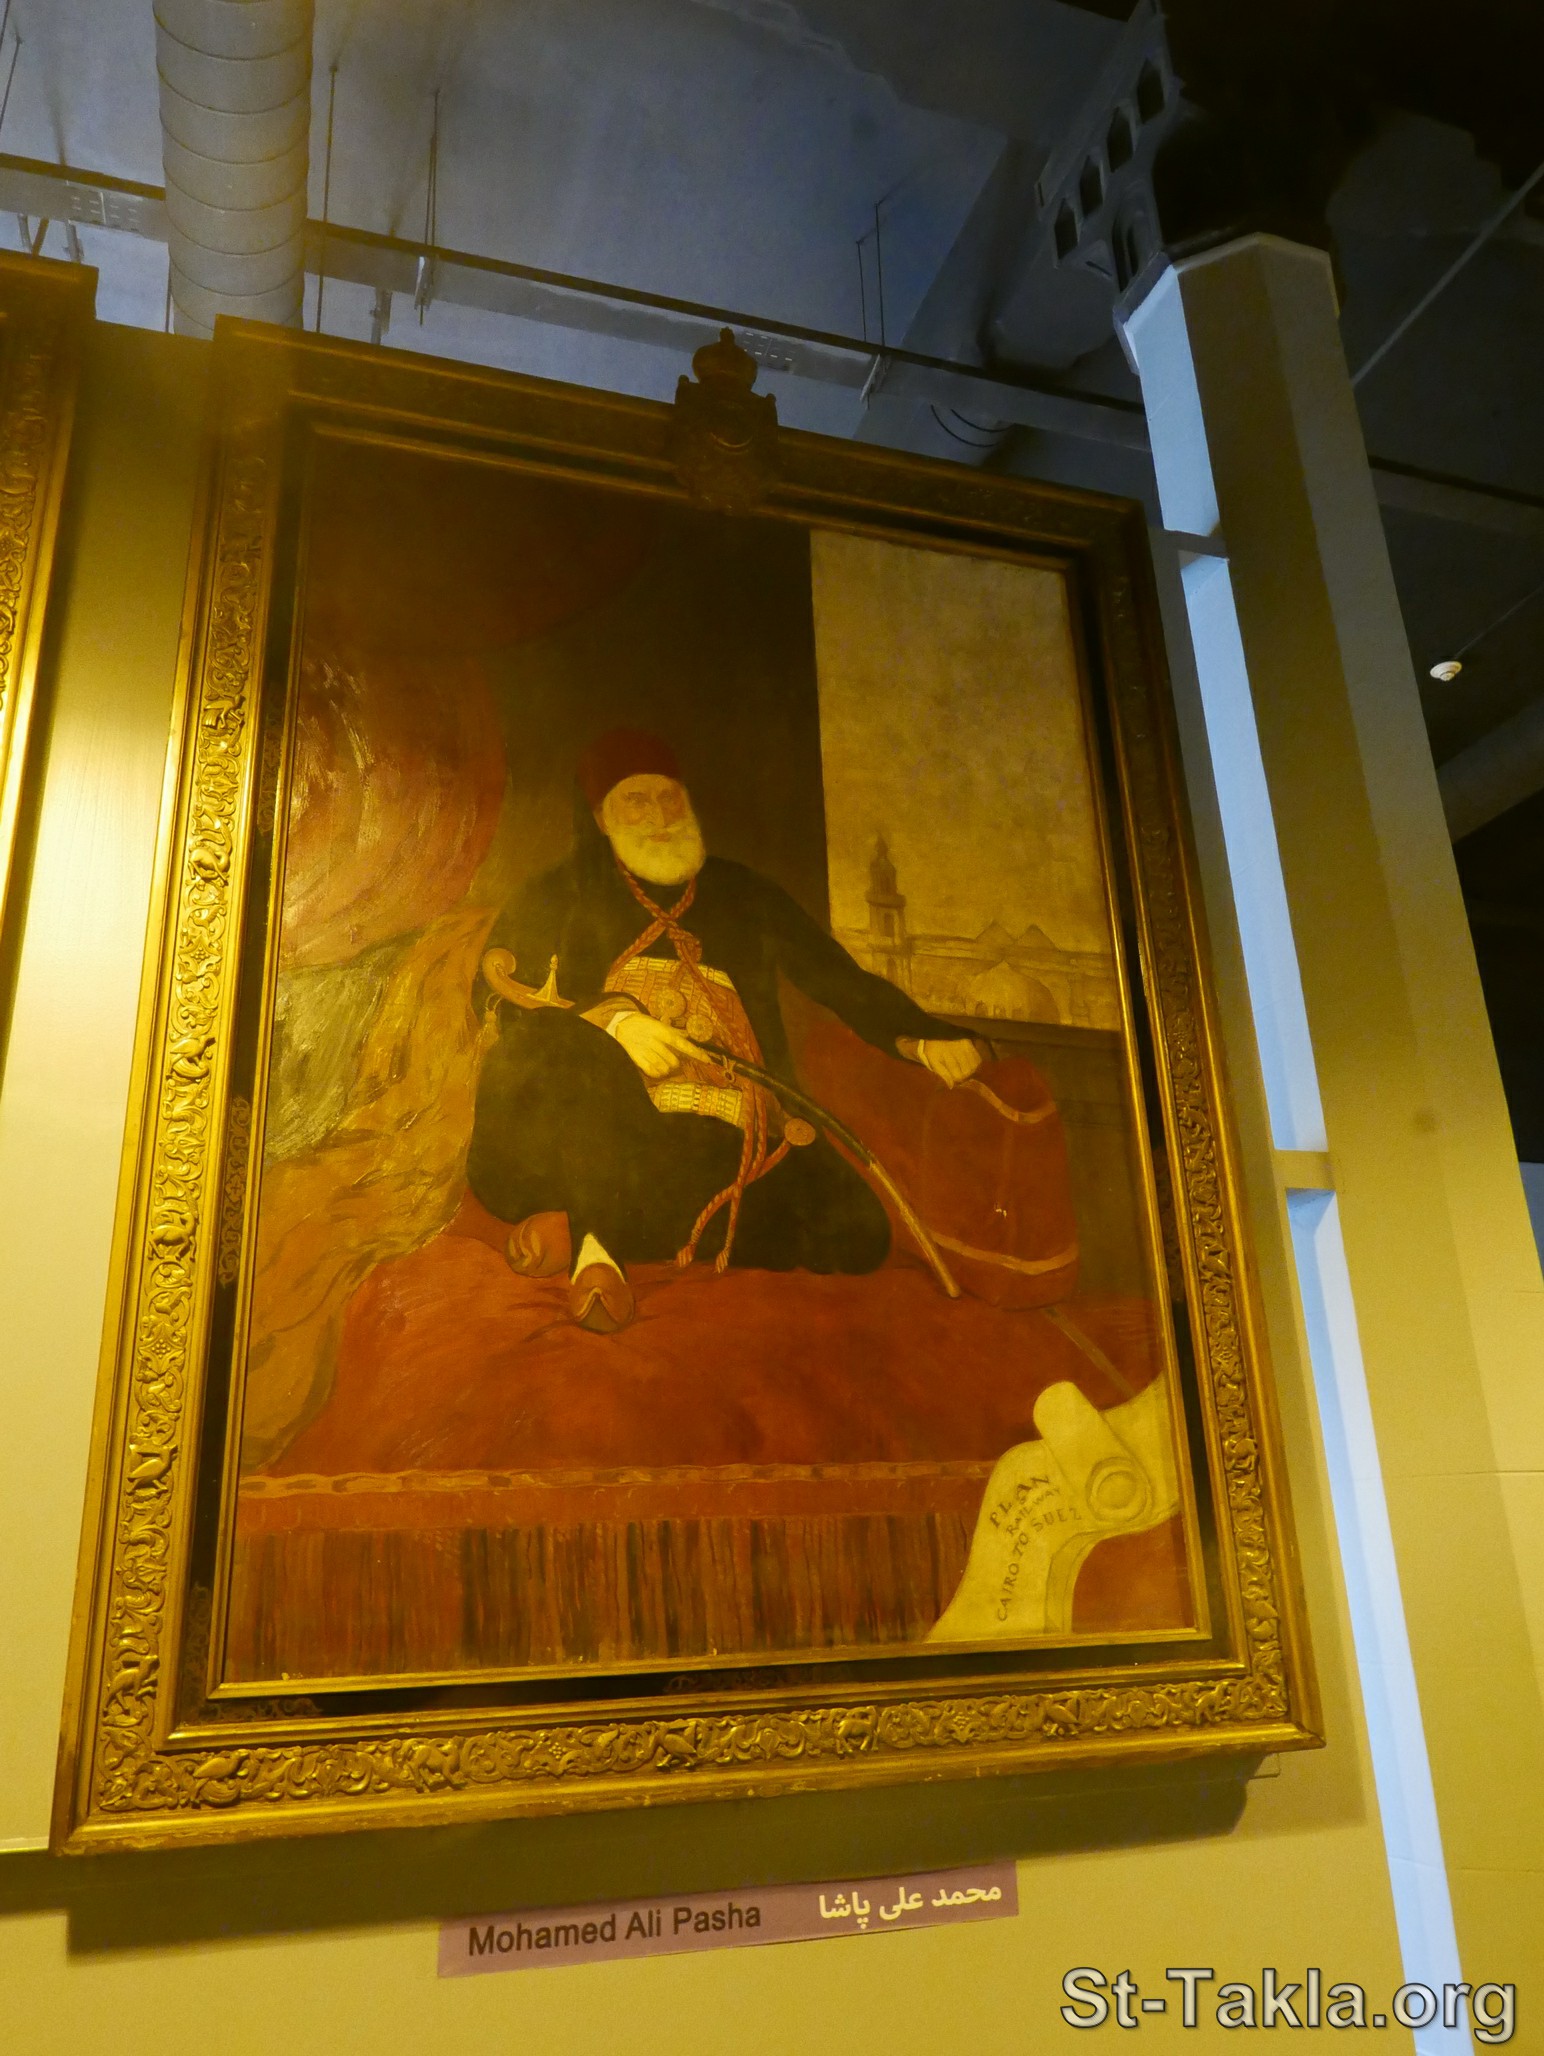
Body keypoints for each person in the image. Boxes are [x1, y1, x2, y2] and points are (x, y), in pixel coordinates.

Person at [467, 728, 981, 1332]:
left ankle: (581, 1219)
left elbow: (838, 979)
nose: (658, 816)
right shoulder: (555, 893)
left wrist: (920, 1036)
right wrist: (615, 1022)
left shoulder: (746, 892)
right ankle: (597, 1251)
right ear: (602, 818)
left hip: (726, 1137)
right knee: (568, 1054)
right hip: (597, 1134)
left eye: (669, 798)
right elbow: (499, 1002)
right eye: (636, 801)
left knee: (858, 1233)